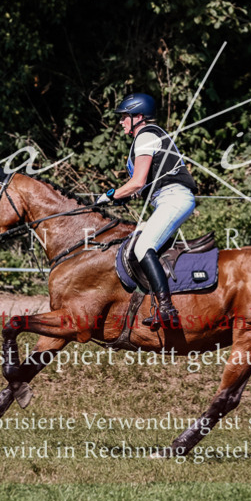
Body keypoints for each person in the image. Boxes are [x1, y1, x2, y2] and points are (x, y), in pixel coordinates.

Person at [96, 93, 199, 330]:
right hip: (167, 198)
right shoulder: (149, 136)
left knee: (144, 247)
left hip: (173, 198)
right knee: (138, 240)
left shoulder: (146, 136)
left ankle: (167, 309)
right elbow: (143, 184)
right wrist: (126, 195)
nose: (121, 122)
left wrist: (109, 195)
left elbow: (137, 182)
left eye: (125, 117)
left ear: (138, 117)